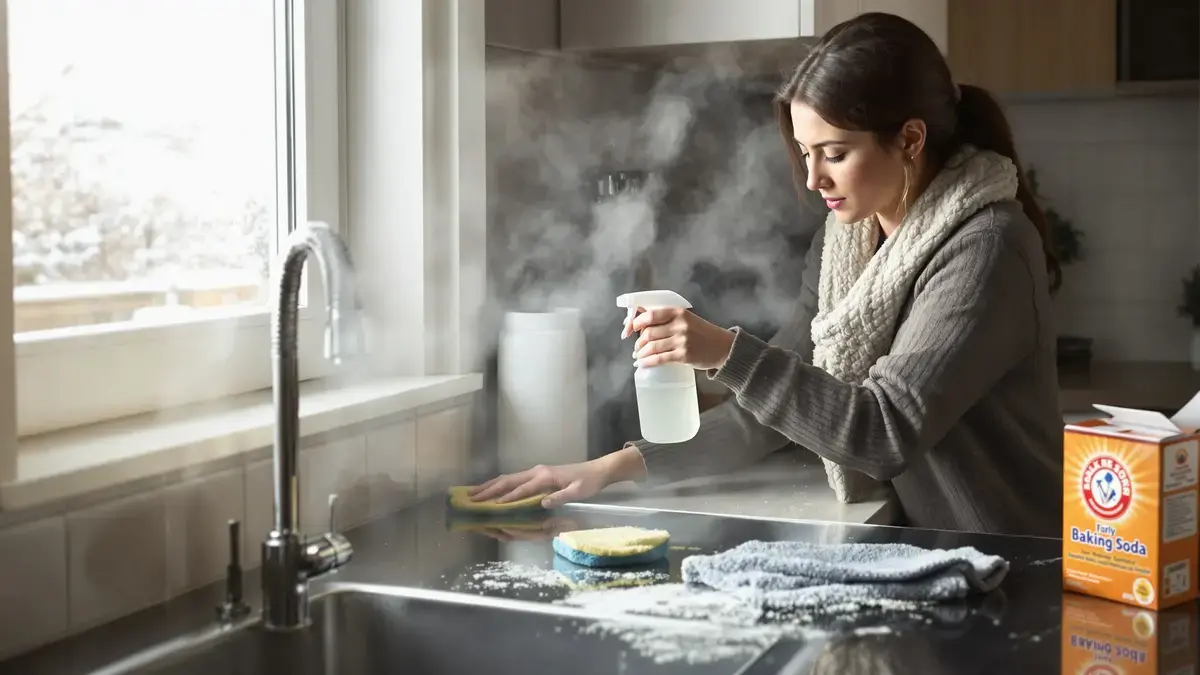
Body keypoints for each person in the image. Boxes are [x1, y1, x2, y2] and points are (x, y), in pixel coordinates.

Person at [469, 12, 1063, 537]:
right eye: (806, 153)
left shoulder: (986, 247)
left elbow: (884, 432)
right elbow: (768, 408)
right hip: (936, 549)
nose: (813, 180)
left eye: (834, 153)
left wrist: (724, 351)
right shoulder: (848, 243)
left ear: (910, 139)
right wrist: (610, 469)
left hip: (1014, 557)